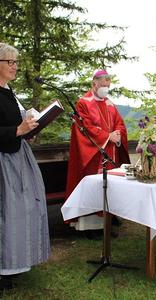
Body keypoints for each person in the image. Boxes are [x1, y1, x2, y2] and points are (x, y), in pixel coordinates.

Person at [0, 43, 50, 290]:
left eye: (16, 62)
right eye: (9, 62)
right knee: (4, 213)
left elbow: (19, 120)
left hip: (17, 156)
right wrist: (17, 130)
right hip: (3, 164)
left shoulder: (9, 91)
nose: (14, 66)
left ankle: (12, 264)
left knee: (18, 213)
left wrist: (30, 127)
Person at [65, 69, 130, 236]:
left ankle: (106, 225)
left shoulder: (109, 103)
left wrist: (118, 135)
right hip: (93, 153)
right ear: (94, 84)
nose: (106, 89)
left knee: (108, 188)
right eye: (103, 85)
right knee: (94, 187)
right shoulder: (83, 103)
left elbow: (119, 124)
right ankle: (90, 227)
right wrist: (107, 136)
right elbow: (84, 128)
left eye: (108, 86)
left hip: (110, 152)